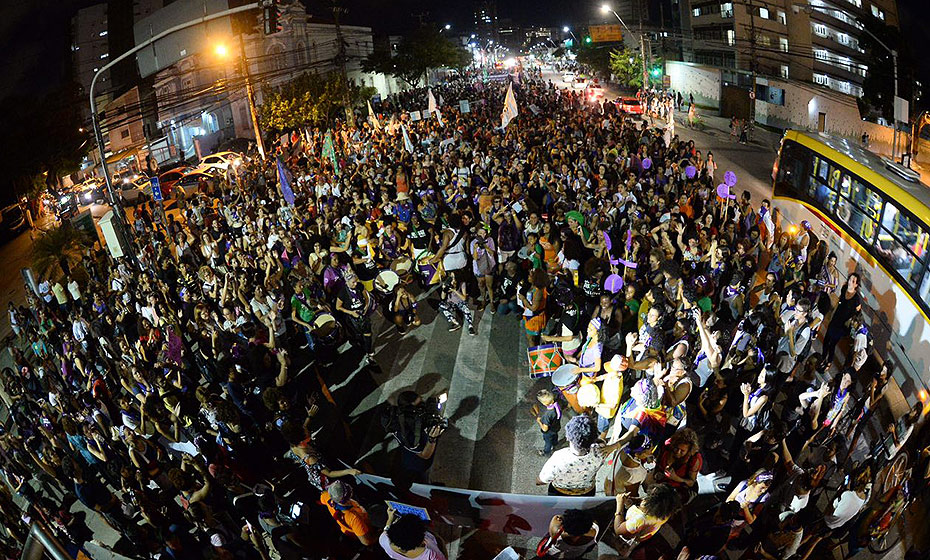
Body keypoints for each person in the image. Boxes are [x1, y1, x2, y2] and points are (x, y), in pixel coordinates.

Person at [537, 414, 624, 496]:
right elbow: (602, 443)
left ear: (568, 437)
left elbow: (542, 480)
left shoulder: (558, 458)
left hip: (559, 494)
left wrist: (538, 481)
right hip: (587, 493)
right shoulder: (600, 452)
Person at [318, 480, 376, 547]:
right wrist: (379, 534)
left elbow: (322, 500)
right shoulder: (354, 518)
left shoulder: (326, 495)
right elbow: (366, 542)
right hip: (361, 531)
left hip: (346, 529)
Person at [380, 509, 447, 560]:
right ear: (422, 540)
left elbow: (386, 529)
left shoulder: (383, 539)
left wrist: (390, 519)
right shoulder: (431, 555)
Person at [534, 389, 562, 457]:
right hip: (556, 427)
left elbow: (545, 429)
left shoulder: (547, 415)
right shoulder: (557, 404)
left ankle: (546, 452)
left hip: (549, 431)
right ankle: (555, 444)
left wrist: (539, 421)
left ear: (544, 404)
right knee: (555, 436)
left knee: (548, 442)